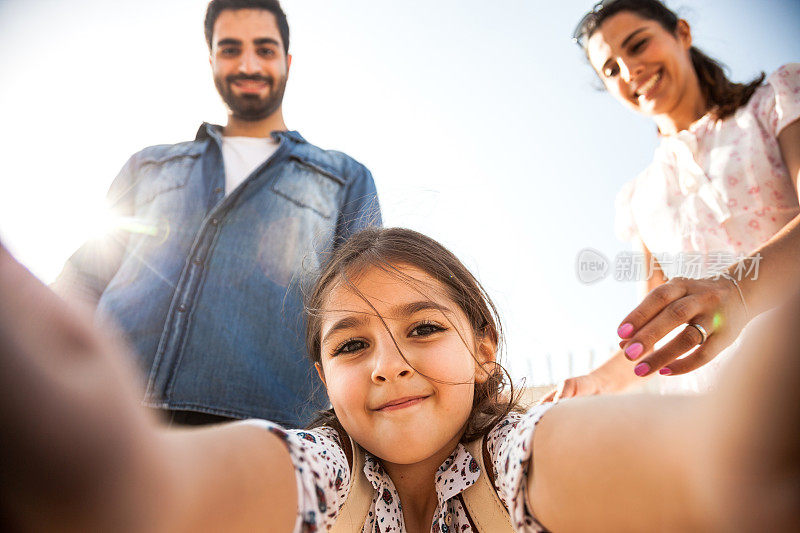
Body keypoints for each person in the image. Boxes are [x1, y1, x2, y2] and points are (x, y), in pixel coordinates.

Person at [2, 229, 798, 532]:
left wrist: (726, 457)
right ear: (319, 373)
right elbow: (180, 494)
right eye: (352, 345)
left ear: (485, 349)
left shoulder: (515, 450)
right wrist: (115, 485)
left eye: (423, 328)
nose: (388, 363)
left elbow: (685, 462)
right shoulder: (324, 467)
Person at [51, 0, 381, 427]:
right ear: (211, 59)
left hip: (263, 435)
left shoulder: (343, 177)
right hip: (104, 418)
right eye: (230, 49)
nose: (247, 64)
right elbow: (83, 280)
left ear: (287, 60)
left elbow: (364, 309)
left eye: (264, 49)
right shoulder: (149, 164)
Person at [546, 0, 800, 400]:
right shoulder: (640, 198)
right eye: (611, 70)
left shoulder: (776, 101)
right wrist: (595, 382)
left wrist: (737, 292)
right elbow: (655, 328)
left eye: (638, 45)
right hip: (720, 411)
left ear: (682, 33)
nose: (630, 71)